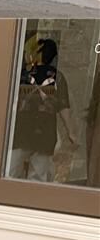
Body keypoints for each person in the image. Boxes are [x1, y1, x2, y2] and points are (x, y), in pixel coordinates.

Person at [8, 33, 75, 181]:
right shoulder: (57, 77)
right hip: (45, 131)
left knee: (10, 172)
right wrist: (71, 132)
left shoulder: (23, 74)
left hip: (21, 129)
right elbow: (64, 107)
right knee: (38, 175)